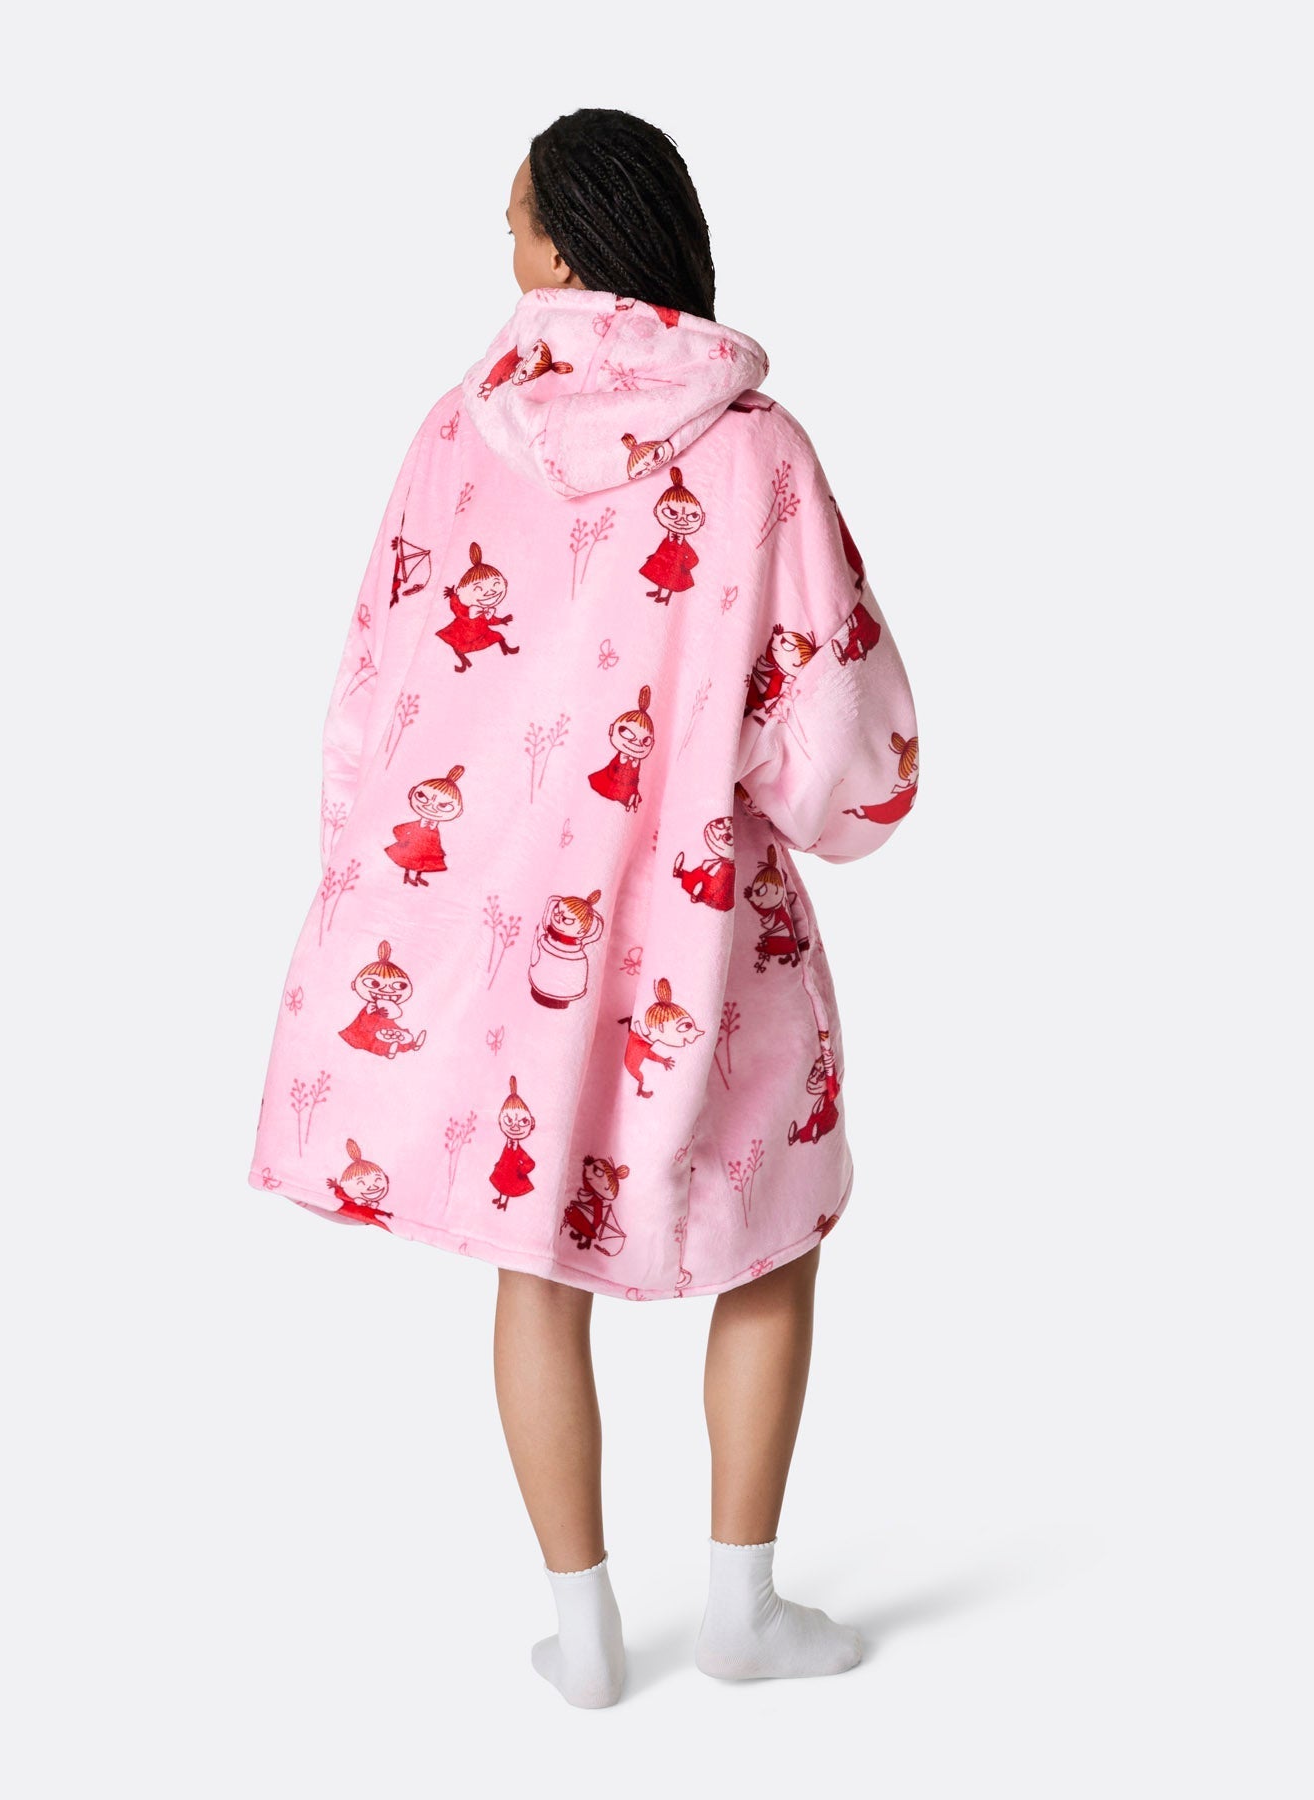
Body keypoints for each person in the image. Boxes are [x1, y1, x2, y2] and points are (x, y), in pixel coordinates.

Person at [249, 107, 919, 1708]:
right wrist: (846, 802)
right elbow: (837, 739)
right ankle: (744, 1615)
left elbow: (380, 678)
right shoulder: (760, 453)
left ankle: (587, 1634)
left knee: (534, 1256)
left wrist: (368, 872)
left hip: (499, 930)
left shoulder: (457, 434)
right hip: (709, 928)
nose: (505, 248)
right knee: (772, 1237)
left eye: (513, 222)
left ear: (561, 247)